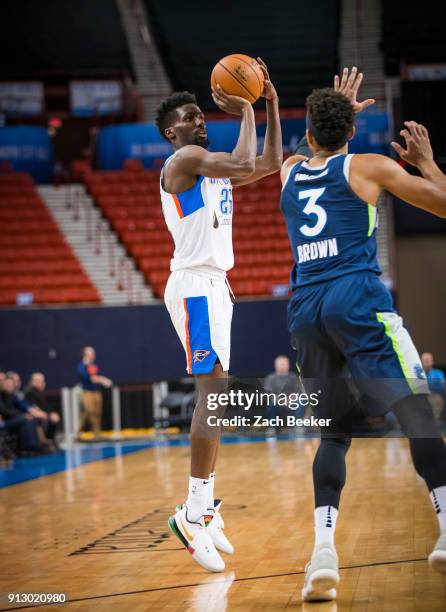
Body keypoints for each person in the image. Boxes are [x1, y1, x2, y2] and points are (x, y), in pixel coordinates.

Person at [280, 67, 446, 601]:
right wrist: (426, 163)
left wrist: (335, 113)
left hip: (305, 309)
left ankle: (322, 555)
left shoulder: (287, 171)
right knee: (416, 412)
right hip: (355, 297)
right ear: (351, 132)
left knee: (333, 435)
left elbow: (317, 144)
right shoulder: (369, 166)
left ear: (307, 135)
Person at [156, 58, 282, 571]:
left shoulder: (212, 168)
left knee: (220, 395)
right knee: (211, 394)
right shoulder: (185, 159)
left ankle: (204, 510)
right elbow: (242, 159)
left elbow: (268, 162)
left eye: (199, 115)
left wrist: (270, 103)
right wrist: (247, 108)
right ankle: (192, 510)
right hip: (192, 285)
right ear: (172, 131)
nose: (199, 120)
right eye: (190, 116)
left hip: (215, 285)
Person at [77, 346, 112, 439]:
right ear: (85, 354)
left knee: (97, 412)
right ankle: (78, 433)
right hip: (87, 392)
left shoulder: (93, 365)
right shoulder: (82, 366)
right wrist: (103, 380)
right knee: (89, 412)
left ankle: (97, 433)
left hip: (96, 391)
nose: (93, 355)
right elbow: (90, 378)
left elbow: (96, 375)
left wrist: (101, 379)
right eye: (91, 353)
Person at [0, 375, 41, 454]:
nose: (9, 386)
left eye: (10, 384)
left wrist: (29, 412)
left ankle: (30, 447)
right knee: (26, 419)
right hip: (5, 422)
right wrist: (22, 415)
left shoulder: (14, 395)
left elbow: (25, 405)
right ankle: (31, 447)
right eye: (7, 384)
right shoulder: (2, 396)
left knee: (29, 419)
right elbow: (4, 411)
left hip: (14, 420)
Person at [264, 355, 302, 431]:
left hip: (291, 401)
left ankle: (298, 426)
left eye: (284, 364)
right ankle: (272, 427)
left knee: (301, 401)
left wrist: (290, 399)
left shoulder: (293, 377)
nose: (282, 366)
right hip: (277, 402)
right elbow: (269, 394)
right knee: (272, 403)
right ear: (276, 365)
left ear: (288, 365)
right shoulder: (271, 378)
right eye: (280, 364)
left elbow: (298, 392)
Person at [25, 372, 61, 450]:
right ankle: (43, 443)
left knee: (54, 417)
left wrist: (51, 413)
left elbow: (46, 406)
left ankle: (49, 440)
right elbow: (33, 407)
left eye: (42, 381)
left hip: (42, 415)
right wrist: (47, 414)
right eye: (38, 381)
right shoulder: (29, 392)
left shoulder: (38, 392)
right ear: (32, 382)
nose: (42, 383)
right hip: (35, 416)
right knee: (41, 419)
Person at [421, 352, 445, 422]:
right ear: (421, 361)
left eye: (429, 360)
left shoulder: (438, 373)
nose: (427, 362)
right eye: (425, 360)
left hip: (434, 397)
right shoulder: (418, 373)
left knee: (437, 399)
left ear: (432, 361)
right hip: (420, 398)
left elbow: (440, 388)